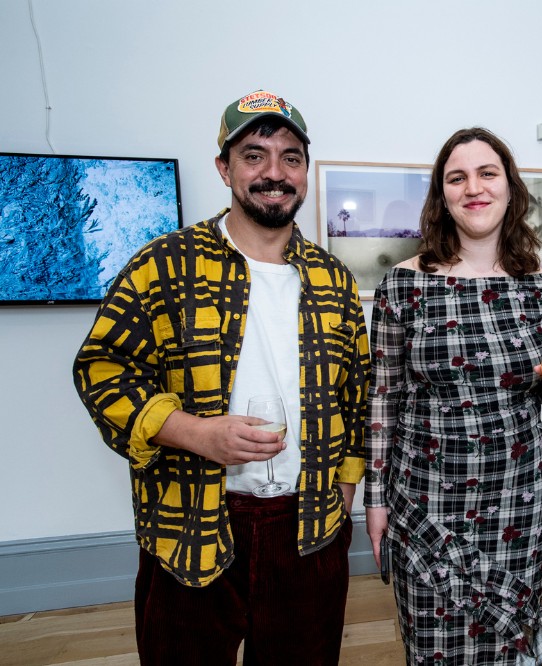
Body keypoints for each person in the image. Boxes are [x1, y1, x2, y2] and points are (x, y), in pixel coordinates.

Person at [72, 89, 369, 665]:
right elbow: (102, 370)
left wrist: (346, 487)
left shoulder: (334, 279)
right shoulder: (164, 264)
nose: (274, 173)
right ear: (224, 167)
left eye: (291, 157)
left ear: (306, 171)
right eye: (254, 155)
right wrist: (198, 434)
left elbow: (356, 393)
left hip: (310, 526)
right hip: (192, 521)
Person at [364, 127, 542, 665]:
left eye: (487, 174)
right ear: (442, 195)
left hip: (518, 495)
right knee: (433, 644)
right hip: (428, 498)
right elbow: (382, 398)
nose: (474, 188)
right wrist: (375, 498)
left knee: (508, 647)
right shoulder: (403, 285)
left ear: (510, 188)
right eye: (457, 177)